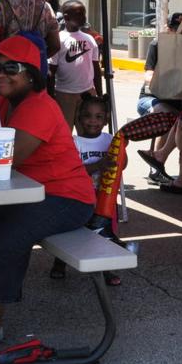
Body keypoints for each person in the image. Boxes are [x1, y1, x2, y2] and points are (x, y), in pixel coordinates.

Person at [0, 36, 94, 350]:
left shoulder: (39, 106)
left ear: (31, 74)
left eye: (10, 67)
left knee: (9, 237)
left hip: (66, 197)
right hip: (26, 192)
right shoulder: (7, 102)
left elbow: (5, 157)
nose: (0, 74)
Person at [51, 94, 121, 285]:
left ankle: (106, 268)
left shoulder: (110, 139)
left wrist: (122, 152)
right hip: (79, 197)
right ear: (79, 118)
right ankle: (60, 262)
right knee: (72, 231)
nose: (93, 121)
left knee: (104, 233)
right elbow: (74, 170)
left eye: (99, 117)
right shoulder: (75, 142)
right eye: (88, 116)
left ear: (106, 120)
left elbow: (121, 164)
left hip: (103, 196)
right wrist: (100, 164)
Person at [137, 12, 182, 186]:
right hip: (152, 98)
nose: (175, 33)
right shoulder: (157, 44)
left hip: (178, 103)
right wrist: (165, 86)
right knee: (167, 115)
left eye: (180, 30)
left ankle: (178, 173)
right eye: (173, 29)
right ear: (168, 28)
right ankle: (157, 166)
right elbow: (148, 75)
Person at [49, 0, 102, 129]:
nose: (83, 17)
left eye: (84, 13)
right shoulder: (59, 39)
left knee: (87, 132)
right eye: (79, 14)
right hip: (64, 95)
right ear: (66, 17)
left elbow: (96, 69)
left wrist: (100, 97)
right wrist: (51, 98)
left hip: (87, 94)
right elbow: (51, 72)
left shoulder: (89, 39)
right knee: (64, 133)